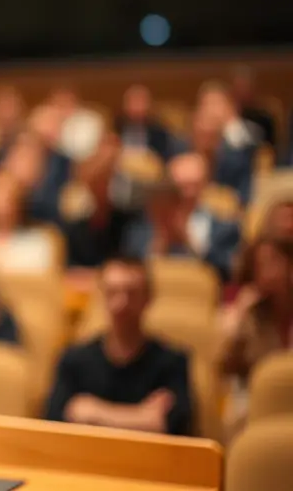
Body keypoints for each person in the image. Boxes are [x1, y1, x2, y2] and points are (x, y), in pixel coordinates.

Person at [44, 258, 193, 436]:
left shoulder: (172, 362)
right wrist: (141, 416)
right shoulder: (73, 360)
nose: (121, 304)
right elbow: (53, 425)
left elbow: (172, 427)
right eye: (112, 292)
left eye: (131, 293)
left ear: (148, 298)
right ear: (101, 296)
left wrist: (93, 412)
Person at [121, 153, 241, 282]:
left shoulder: (226, 229)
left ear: (206, 185)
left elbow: (227, 274)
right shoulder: (139, 228)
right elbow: (130, 272)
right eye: (180, 187)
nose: (187, 193)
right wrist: (160, 240)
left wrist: (189, 241)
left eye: (194, 185)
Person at [220, 236, 293, 438]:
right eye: (262, 266)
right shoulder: (249, 315)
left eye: (275, 262)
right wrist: (239, 314)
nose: (271, 272)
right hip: (258, 402)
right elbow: (225, 367)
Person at [115, 84, 174, 161]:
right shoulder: (115, 128)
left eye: (141, 103)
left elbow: (164, 159)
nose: (137, 108)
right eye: (133, 102)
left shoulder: (159, 132)